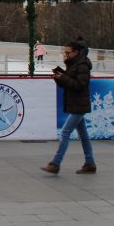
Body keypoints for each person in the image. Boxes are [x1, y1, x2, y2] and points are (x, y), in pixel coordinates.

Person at [42, 38, 96, 174]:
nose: (65, 55)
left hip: (79, 105)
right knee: (83, 135)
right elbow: (70, 83)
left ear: (76, 52)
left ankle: (55, 163)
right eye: (64, 52)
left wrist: (64, 78)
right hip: (77, 104)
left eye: (67, 52)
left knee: (65, 132)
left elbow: (80, 85)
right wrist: (60, 78)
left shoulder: (82, 65)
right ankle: (90, 163)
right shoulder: (73, 64)